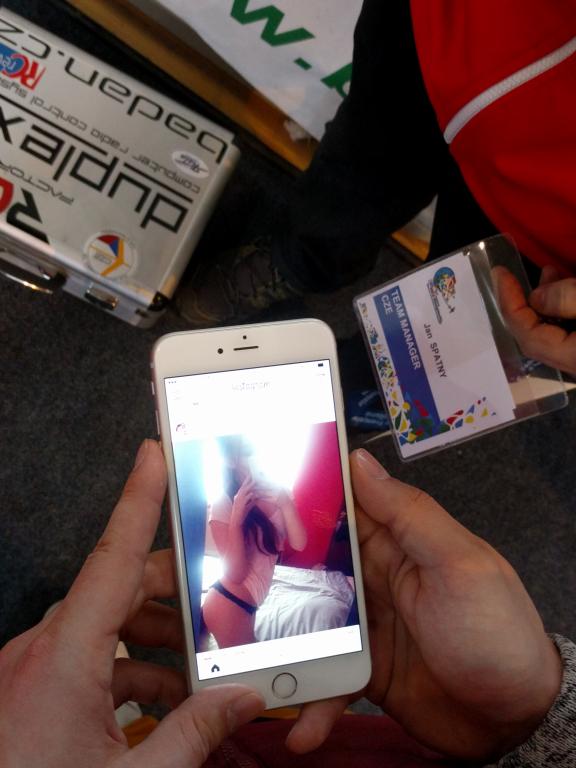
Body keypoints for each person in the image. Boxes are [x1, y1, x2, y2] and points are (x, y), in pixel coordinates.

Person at [1, 440, 575, 767]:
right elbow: (228, 567)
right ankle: (130, 722)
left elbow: (296, 543)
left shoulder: (266, 500)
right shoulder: (221, 509)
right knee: (235, 695)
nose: (250, 471)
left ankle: (134, 724)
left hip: (262, 595)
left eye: (252, 462)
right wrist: (238, 513)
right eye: (241, 465)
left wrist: (279, 503)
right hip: (233, 598)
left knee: (250, 712)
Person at [177, 0, 576, 377]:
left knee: (457, 328)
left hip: (554, 215)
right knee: (359, 165)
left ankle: (378, 385)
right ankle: (303, 261)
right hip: (454, 20)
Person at [202, 436, 307, 648]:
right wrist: (236, 519)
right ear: (230, 460)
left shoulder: (279, 491)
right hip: (229, 603)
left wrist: (285, 503)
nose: (257, 455)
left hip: (247, 605)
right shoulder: (223, 504)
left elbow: (299, 543)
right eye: (249, 451)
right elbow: (236, 574)